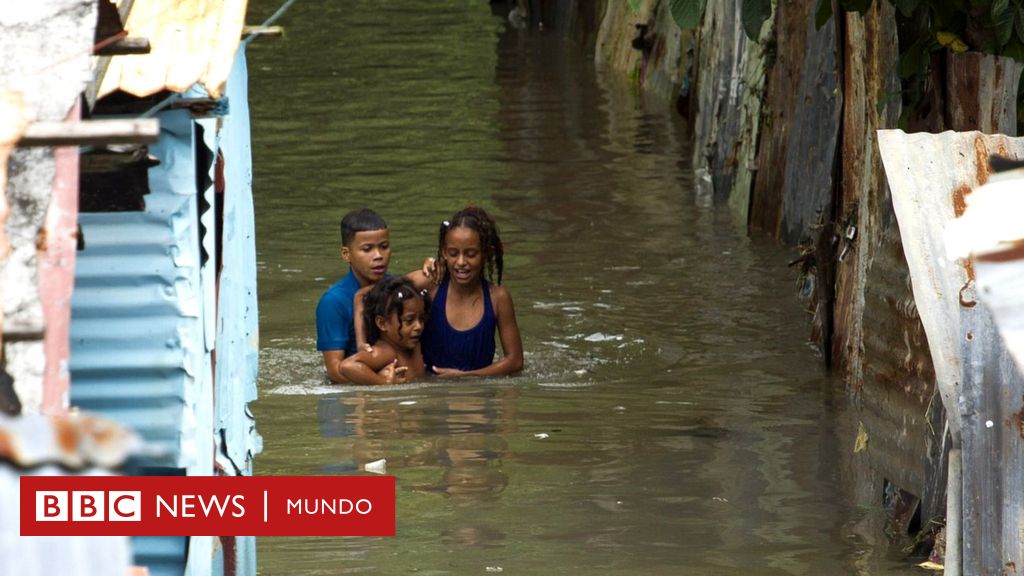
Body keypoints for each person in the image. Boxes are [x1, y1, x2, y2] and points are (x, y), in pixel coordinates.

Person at [421, 206, 523, 377]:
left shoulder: (498, 298)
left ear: (486, 254)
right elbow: (379, 294)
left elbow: (515, 361)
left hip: (479, 395)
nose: (461, 262)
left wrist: (468, 377)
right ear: (444, 252)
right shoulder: (430, 284)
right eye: (453, 253)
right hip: (431, 393)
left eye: (470, 254)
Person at [316, 208, 391, 383]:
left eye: (384, 247)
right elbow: (335, 371)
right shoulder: (333, 302)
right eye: (367, 249)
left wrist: (432, 265)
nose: (378, 256)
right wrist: (382, 383)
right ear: (346, 254)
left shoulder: (397, 288)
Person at [340, 277, 429, 385]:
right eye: (409, 320)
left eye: (421, 319)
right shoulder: (387, 352)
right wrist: (383, 382)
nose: (418, 326)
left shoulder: (415, 345)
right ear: (382, 324)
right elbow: (348, 365)